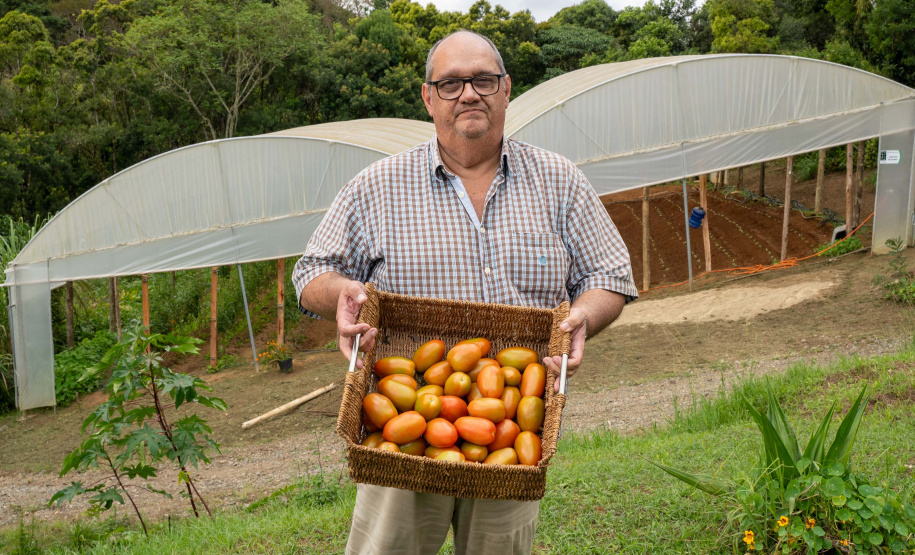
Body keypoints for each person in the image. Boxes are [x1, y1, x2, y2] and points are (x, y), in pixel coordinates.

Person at [293, 30, 638, 555]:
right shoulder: (376, 186)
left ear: (506, 90)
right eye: (451, 83)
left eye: (483, 80)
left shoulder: (559, 180)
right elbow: (312, 271)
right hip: (402, 440)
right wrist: (340, 291)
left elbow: (610, 275)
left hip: (511, 427)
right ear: (428, 98)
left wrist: (584, 316)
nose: (469, 93)